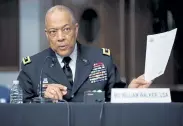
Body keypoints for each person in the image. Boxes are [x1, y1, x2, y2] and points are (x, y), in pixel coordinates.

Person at [17, 5, 151, 103]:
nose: (60, 37)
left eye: (66, 29)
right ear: (47, 34)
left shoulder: (101, 60)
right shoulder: (32, 67)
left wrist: (130, 93)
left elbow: (115, 99)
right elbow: (19, 109)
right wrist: (42, 100)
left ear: (76, 29)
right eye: (53, 32)